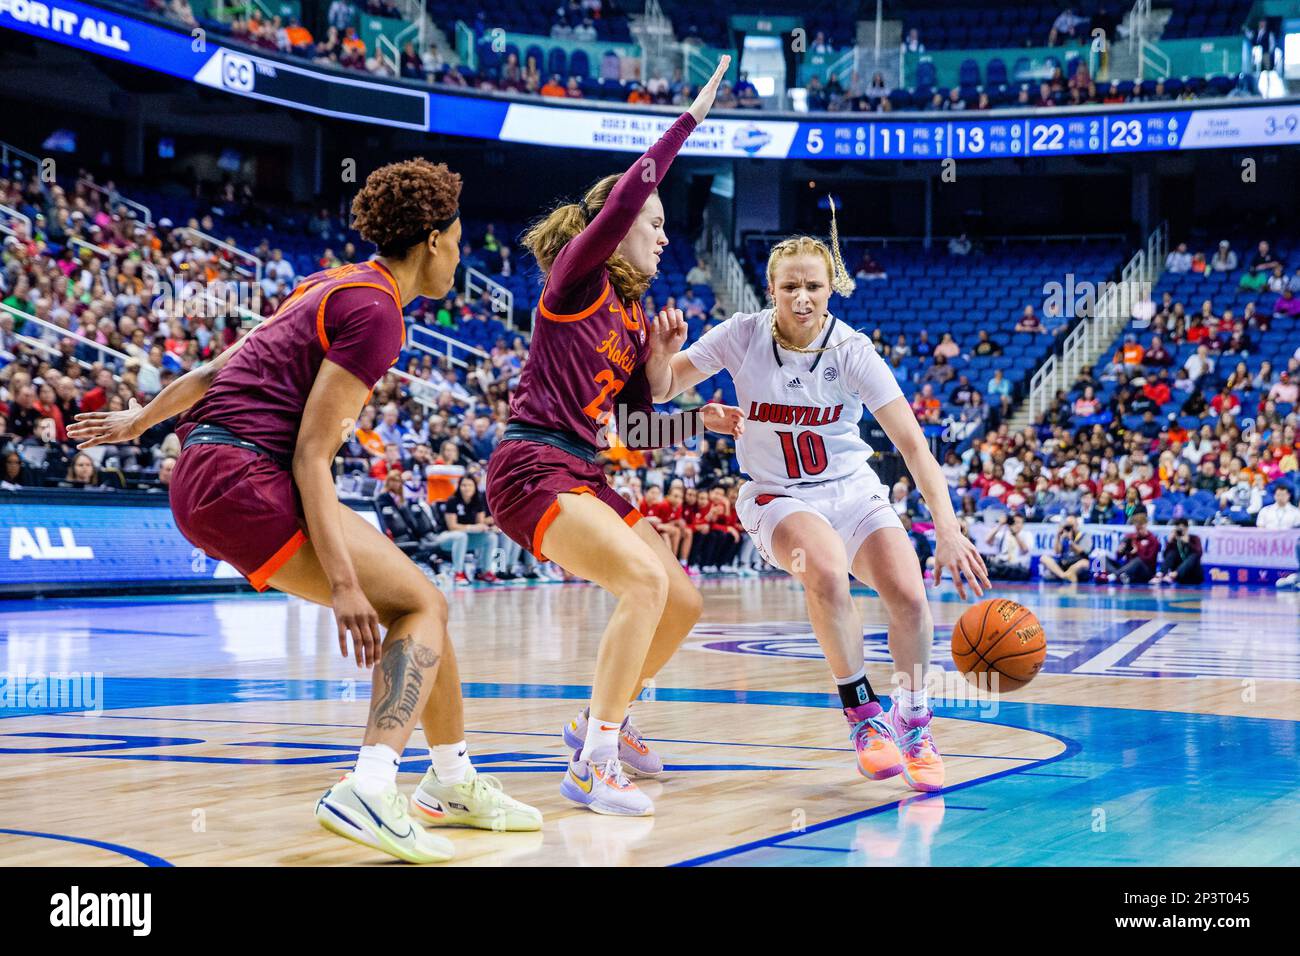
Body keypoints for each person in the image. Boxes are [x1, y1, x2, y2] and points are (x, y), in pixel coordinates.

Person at [69, 159, 540, 864]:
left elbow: (211, 372)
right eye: (460, 240)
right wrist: (347, 586)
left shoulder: (329, 283)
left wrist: (141, 422)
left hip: (207, 470)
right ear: (433, 241)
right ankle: (371, 786)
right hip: (242, 476)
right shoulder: (378, 313)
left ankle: (452, 783)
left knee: (425, 603)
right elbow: (311, 457)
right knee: (415, 609)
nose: (461, 255)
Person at [648, 215, 990, 795]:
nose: (801, 297)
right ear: (771, 289)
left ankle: (913, 723)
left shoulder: (852, 350)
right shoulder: (740, 334)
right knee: (826, 568)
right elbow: (658, 391)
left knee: (908, 592)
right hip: (777, 494)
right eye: (789, 287)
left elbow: (912, 444)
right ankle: (862, 714)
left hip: (852, 488)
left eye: (813, 286)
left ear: (830, 287)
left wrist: (950, 528)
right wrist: (663, 354)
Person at [484, 58, 743, 817]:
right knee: (644, 582)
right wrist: (689, 120)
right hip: (531, 464)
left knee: (683, 600)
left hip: (583, 469)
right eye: (656, 226)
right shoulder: (577, 279)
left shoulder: (633, 320)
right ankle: (594, 762)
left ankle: (604, 723)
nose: (665, 240)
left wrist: (689, 402)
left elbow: (634, 423)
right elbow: (633, 186)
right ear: (618, 226)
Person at [1097, 511, 1159, 584]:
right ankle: (1120, 576)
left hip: (1146, 571)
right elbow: (1118, 557)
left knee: (1137, 561)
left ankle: (1113, 576)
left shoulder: (1153, 540)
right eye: (1137, 528)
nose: (1138, 531)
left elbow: (1150, 560)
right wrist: (1120, 551)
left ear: (1145, 525)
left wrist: (1137, 552)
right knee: (1103, 558)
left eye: (1140, 528)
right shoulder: (1131, 537)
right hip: (1128, 568)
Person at [1040, 515, 1089, 583]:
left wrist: (1070, 541)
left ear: (1077, 524)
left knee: (1084, 562)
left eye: (1072, 525)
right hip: (1064, 563)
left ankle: (1067, 575)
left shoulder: (1084, 536)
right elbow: (1057, 552)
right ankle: (1063, 576)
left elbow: (1083, 552)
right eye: (1068, 525)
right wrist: (1058, 536)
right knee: (1044, 558)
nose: (1070, 527)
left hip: (1077, 563)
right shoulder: (1064, 536)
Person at [985, 513, 1031, 581]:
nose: (1015, 524)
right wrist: (1000, 524)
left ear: (1022, 524)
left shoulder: (1026, 534)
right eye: (1013, 522)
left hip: (1018, 567)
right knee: (990, 568)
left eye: (1018, 522)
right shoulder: (1004, 533)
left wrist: (1015, 534)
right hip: (1002, 565)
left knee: (1019, 572)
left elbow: (1025, 550)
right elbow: (987, 540)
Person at [1157, 517, 1203, 585]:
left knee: (1194, 555)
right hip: (1179, 576)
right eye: (1179, 529)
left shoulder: (1194, 538)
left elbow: (1199, 554)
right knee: (1172, 553)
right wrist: (1169, 542)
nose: (1181, 531)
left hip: (1193, 574)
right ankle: (1160, 574)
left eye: (1182, 529)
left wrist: (1187, 542)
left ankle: (1174, 574)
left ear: (1187, 528)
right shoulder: (1175, 540)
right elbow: (1165, 556)